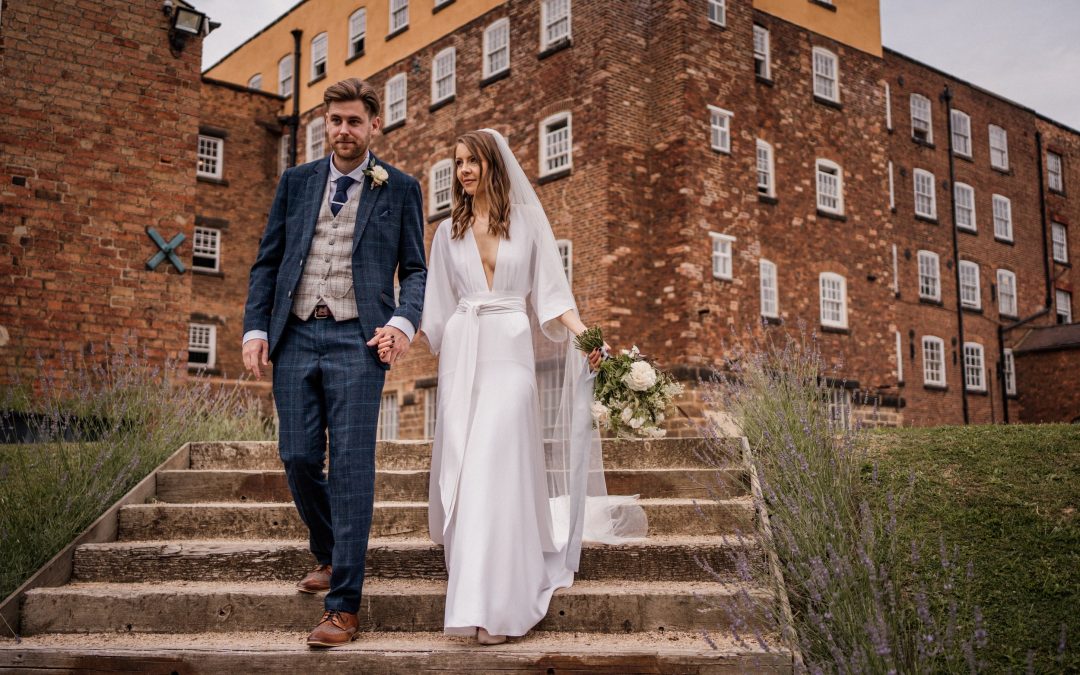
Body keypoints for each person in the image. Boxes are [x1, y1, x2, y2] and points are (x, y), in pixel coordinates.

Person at [419, 129, 647, 645]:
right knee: (470, 462)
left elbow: (552, 294)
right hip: (464, 351)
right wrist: (395, 332)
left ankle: (496, 606)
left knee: (494, 461)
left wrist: (586, 336)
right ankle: (476, 598)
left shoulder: (526, 224)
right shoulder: (446, 233)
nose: (464, 171)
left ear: (494, 165)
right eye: (458, 163)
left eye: (473, 160)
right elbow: (432, 305)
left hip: (510, 351)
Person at [241, 78, 426, 648]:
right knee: (297, 456)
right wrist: (254, 326)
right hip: (295, 335)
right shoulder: (295, 183)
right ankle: (328, 548)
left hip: (357, 341)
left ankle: (343, 604)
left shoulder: (399, 187)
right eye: (335, 120)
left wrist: (400, 322)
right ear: (326, 124)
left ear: (375, 125)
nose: (343, 130)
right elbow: (267, 261)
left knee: (350, 469)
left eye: (354, 121)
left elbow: (416, 270)